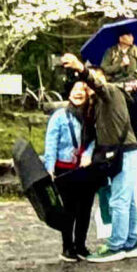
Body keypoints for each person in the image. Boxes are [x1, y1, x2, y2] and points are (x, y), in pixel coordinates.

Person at [83, 52, 137, 262]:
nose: (89, 86)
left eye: (93, 80)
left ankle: (116, 245)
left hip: (125, 151)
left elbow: (98, 85)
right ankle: (131, 242)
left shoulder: (111, 92)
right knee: (128, 201)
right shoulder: (97, 104)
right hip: (119, 153)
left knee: (119, 201)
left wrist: (81, 70)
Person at [46, 59, 96, 261]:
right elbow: (51, 143)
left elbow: (96, 139)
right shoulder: (59, 116)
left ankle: (81, 245)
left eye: (82, 91)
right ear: (69, 93)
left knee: (85, 209)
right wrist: (49, 168)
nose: (78, 93)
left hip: (85, 169)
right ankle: (67, 246)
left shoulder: (92, 114)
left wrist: (89, 154)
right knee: (69, 211)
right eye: (75, 90)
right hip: (64, 170)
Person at [102, 33, 137, 139]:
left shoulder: (135, 50)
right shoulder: (111, 52)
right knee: (119, 115)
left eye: (132, 36)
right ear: (121, 38)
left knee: (134, 116)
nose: (132, 38)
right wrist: (120, 65)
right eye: (128, 36)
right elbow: (105, 69)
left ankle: (135, 138)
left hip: (133, 87)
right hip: (117, 87)